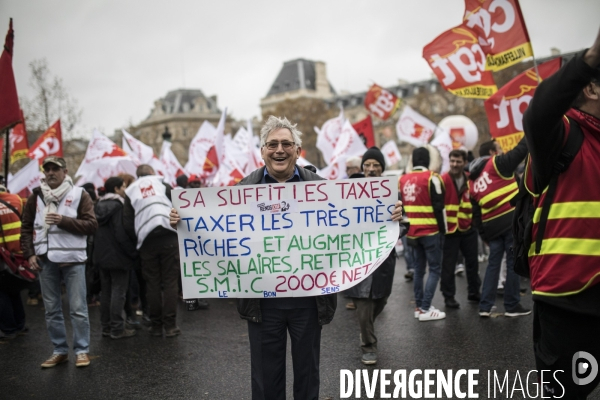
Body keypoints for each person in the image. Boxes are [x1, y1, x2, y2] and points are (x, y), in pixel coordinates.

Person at [170, 116, 405, 399]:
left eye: (286, 144)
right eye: (272, 144)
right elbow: (215, 227)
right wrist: (184, 221)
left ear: (297, 150)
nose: (279, 150)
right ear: (262, 151)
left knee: (307, 376)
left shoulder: (321, 187)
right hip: (261, 304)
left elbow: (352, 223)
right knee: (266, 379)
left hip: (308, 302)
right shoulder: (241, 190)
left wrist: (387, 215)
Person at [522, 28, 600, 398]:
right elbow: (539, 111)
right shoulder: (562, 133)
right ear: (592, 88)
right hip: (568, 302)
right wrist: (588, 60)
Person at [21, 156, 98, 368]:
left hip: (73, 260)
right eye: (47, 169)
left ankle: (82, 351)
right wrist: (29, 254)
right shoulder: (35, 196)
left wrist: (63, 221)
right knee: (52, 309)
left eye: (56, 169)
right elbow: (26, 228)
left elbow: (92, 225)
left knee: (78, 308)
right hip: (45, 260)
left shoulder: (80, 194)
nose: (51, 172)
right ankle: (60, 350)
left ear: (65, 172)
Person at [346, 146, 407, 365]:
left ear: (382, 169)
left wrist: (397, 223)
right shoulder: (349, 190)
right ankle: (368, 345)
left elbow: (405, 224)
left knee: (381, 298)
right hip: (358, 255)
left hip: (383, 257)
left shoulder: (394, 193)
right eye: (367, 165)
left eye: (376, 166)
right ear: (362, 168)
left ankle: (365, 329)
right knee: (363, 301)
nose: (371, 169)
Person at [468, 139, 530, 318]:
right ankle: (511, 305)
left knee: (493, 265)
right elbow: (521, 149)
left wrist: (483, 234)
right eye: (499, 149)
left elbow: (476, 213)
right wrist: (534, 123)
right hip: (509, 221)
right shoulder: (497, 163)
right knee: (512, 262)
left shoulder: (472, 180)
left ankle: (485, 306)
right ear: (492, 152)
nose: (502, 151)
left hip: (491, 227)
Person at [123, 164, 180, 338]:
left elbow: (127, 222)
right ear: (152, 173)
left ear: (137, 175)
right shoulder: (163, 184)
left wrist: (139, 237)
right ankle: (170, 326)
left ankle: (156, 326)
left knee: (152, 283)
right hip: (169, 235)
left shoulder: (130, 190)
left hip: (147, 241)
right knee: (170, 281)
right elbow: (179, 207)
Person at [400, 147, 447, 321]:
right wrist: (444, 232)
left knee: (419, 270)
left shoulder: (403, 179)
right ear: (427, 160)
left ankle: (419, 307)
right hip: (430, 231)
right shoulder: (433, 178)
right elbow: (439, 208)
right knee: (434, 269)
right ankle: (426, 308)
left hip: (412, 233)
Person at [94, 177, 138, 339]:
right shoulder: (119, 206)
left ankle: (106, 327)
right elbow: (121, 233)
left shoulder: (97, 205)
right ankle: (117, 328)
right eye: (124, 186)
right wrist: (132, 252)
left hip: (101, 256)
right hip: (118, 256)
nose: (125, 189)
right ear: (116, 189)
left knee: (106, 292)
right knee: (119, 292)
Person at [439, 149, 481, 309]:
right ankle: (448, 297)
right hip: (450, 230)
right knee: (448, 266)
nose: (454, 164)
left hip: (467, 227)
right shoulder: (442, 180)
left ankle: (474, 292)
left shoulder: (471, 180)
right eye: (452, 161)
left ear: (464, 163)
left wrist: (475, 223)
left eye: (458, 161)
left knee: (472, 263)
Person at [0, 184, 28, 340]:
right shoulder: (16, 199)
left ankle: (9, 329)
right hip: (16, 253)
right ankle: (20, 324)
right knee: (13, 289)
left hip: (1, 254)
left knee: (1, 293)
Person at [183, 174, 209, 311]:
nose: (197, 186)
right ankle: (194, 300)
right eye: (196, 183)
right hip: (193, 242)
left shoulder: (188, 198)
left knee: (197, 270)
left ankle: (194, 300)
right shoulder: (185, 199)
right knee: (197, 271)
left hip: (195, 241)